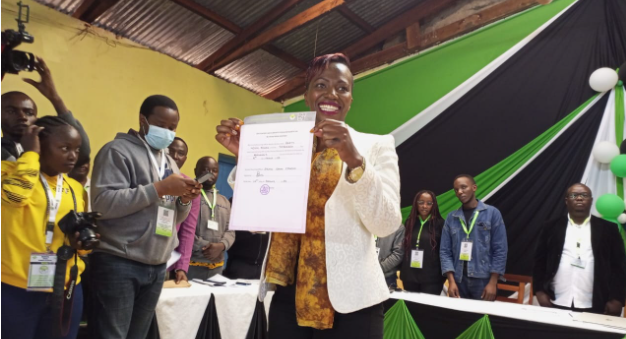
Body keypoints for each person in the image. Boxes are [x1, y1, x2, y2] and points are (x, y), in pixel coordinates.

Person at [216, 53, 401, 339]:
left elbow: (386, 224)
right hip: (289, 294)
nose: (331, 94)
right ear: (306, 95)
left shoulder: (376, 146)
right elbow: (258, 222)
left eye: (342, 88)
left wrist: (355, 162)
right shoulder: (287, 145)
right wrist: (250, 158)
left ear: (351, 99)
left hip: (353, 301)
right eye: (321, 85)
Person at [88, 95, 201, 339]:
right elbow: (103, 203)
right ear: (143, 120)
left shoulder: (169, 161)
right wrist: (159, 188)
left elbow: (175, 216)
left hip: (158, 264)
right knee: (112, 335)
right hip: (119, 261)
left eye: (173, 128)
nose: (168, 133)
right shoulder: (116, 151)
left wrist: (184, 199)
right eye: (162, 125)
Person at [1, 117, 91, 339]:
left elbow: (76, 240)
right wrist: (31, 154)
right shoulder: (8, 172)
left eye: (76, 149)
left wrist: (82, 244)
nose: (73, 156)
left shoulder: (74, 188)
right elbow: (14, 196)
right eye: (64, 148)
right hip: (16, 288)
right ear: (40, 145)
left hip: (66, 286)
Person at [533, 183, 626, 315]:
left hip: (596, 302)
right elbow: (539, 262)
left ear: (591, 200)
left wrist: (617, 299)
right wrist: (539, 291)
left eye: (584, 195)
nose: (579, 198)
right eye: (574, 195)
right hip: (556, 300)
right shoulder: (551, 226)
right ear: (566, 201)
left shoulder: (608, 229)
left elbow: (619, 266)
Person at [2, 57, 90, 163]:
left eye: (29, 113)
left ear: (36, 119)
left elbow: (83, 152)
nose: (22, 117)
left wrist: (55, 98)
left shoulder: (46, 147)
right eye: (11, 111)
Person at [440, 174, 508, 301]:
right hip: (459, 280)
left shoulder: (492, 213)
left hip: (483, 280)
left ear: (474, 187)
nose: (460, 192)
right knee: (460, 319)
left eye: (463, 187)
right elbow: (445, 251)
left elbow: (500, 249)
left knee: (481, 318)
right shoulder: (451, 217)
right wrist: (451, 281)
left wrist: (493, 282)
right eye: (456, 190)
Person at [188, 156, 234, 280]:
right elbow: (182, 229)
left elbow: (231, 230)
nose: (210, 174)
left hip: (217, 268)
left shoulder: (224, 201)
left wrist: (221, 246)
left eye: (214, 170)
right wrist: (204, 246)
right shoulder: (188, 196)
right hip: (190, 267)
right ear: (195, 171)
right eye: (205, 170)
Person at [167, 137, 200, 283]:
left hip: (168, 263)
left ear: (185, 158)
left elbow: (188, 230)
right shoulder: (152, 178)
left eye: (180, 153)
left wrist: (181, 267)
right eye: (170, 150)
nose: (175, 156)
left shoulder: (190, 186)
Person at [400, 190, 446, 295]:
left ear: (433, 205)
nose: (424, 206)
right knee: (412, 308)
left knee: (428, 310)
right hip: (410, 277)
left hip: (432, 279)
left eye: (429, 203)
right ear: (416, 203)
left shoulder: (440, 224)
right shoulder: (409, 222)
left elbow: (444, 251)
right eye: (421, 202)